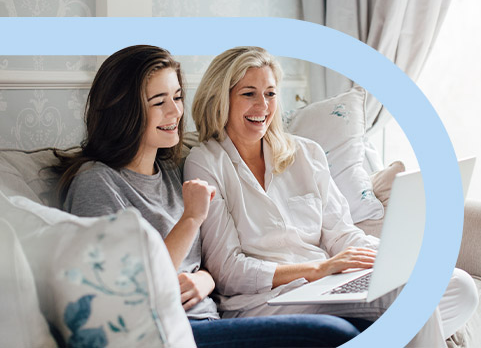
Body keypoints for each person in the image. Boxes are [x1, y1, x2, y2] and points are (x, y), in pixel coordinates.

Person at [52, 44, 369, 347]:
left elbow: (208, 266)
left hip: (207, 319)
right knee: (330, 332)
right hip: (160, 331)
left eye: (177, 97)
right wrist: (191, 219)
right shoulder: (96, 182)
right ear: (125, 109)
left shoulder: (172, 174)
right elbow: (124, 291)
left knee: (370, 320)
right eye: (158, 101)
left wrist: (205, 280)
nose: (176, 111)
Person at [184, 46, 479, 347]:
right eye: (249, 94)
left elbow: (341, 233)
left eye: (270, 94)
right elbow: (228, 270)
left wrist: (388, 257)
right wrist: (317, 269)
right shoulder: (205, 162)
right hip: (265, 300)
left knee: (459, 286)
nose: (263, 105)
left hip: (326, 286)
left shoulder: (306, 153)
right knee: (410, 297)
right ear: (221, 98)